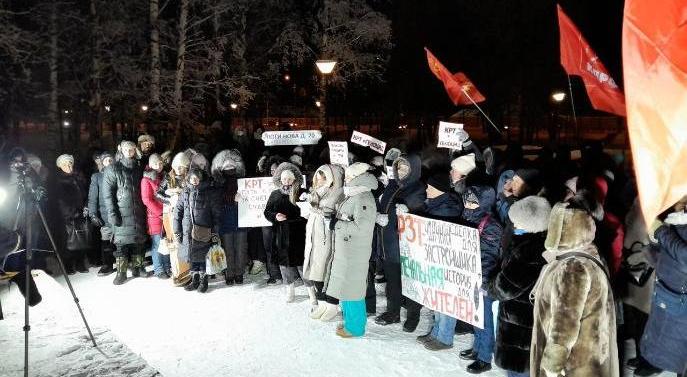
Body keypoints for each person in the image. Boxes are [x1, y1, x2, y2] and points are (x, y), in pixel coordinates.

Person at [530, 196, 619, 377]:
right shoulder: (590, 256)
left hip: (573, 364)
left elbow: (565, 319)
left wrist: (553, 365)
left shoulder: (572, 266)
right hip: (590, 356)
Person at [484, 196, 551, 377]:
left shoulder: (526, 250)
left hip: (519, 326)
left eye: (517, 221)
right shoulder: (543, 244)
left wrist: (488, 285)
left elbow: (505, 287)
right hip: (533, 320)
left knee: (518, 371)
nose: (514, 225)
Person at [323, 162, 378, 338]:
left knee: (353, 289)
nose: (346, 179)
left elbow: (363, 227)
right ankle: (350, 323)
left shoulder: (363, 197)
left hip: (355, 250)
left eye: (349, 176)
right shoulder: (354, 194)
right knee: (346, 287)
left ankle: (355, 328)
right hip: (348, 248)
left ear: (357, 178)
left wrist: (337, 224)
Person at [375, 152, 426, 331]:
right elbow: (383, 206)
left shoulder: (418, 187)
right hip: (389, 244)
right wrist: (378, 215)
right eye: (399, 167)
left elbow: (423, 211)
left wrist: (410, 211)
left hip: (408, 247)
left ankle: (413, 316)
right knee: (393, 281)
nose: (401, 171)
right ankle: (393, 312)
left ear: (414, 169)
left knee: (411, 283)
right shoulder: (391, 186)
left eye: (405, 167)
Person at [640, 195, 687, 377]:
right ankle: (653, 361)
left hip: (679, 296)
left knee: (677, 346)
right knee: (659, 335)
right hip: (668, 290)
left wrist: (660, 231)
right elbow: (662, 252)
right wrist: (654, 239)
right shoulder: (676, 219)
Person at [102, 141, 149, 285]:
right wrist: (112, 213)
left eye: (132, 149)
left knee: (138, 242)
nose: (130, 151)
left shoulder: (139, 167)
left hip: (138, 211)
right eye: (127, 149)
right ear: (121, 150)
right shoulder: (112, 169)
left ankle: (138, 267)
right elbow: (107, 194)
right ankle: (121, 272)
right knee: (121, 244)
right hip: (121, 212)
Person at [264, 162, 308, 302]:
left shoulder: (301, 193)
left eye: (289, 179)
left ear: (295, 179)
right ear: (280, 180)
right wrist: (275, 216)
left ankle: (311, 290)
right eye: (284, 179)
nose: (287, 182)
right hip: (281, 235)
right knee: (284, 265)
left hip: (298, 234)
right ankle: (290, 290)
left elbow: (308, 211)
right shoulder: (275, 194)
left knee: (302, 264)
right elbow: (267, 211)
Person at [303, 164, 345, 312]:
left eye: (323, 178)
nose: (320, 181)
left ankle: (329, 303)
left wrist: (323, 213)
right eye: (318, 178)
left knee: (324, 268)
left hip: (327, 237)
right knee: (315, 269)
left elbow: (338, 213)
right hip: (314, 236)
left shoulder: (338, 192)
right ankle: (321, 302)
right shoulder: (315, 192)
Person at [173, 167, 221, 293]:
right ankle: (194, 280)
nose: (195, 180)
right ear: (188, 178)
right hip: (187, 231)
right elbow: (178, 211)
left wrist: (215, 234)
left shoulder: (209, 192)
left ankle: (203, 281)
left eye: (197, 177)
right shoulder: (185, 192)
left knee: (203, 257)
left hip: (204, 231)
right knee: (192, 257)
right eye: (192, 178)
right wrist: (177, 230)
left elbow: (216, 215)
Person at [211, 149, 248, 286]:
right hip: (225, 218)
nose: (230, 169)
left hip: (241, 217)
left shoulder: (243, 182)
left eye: (232, 167)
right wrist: (232, 199)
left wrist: (241, 199)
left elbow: (250, 198)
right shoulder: (217, 183)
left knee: (240, 247)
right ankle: (229, 273)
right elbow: (216, 201)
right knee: (228, 249)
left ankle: (239, 273)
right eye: (226, 167)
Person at [157, 151, 192, 286]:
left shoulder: (189, 178)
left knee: (186, 242)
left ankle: (190, 273)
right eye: (177, 166)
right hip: (170, 216)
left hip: (186, 215)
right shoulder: (168, 178)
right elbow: (158, 194)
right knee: (175, 245)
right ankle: (177, 274)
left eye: (181, 167)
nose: (178, 169)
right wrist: (170, 199)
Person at [54, 154, 90, 274]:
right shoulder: (59, 181)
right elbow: (60, 200)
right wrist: (71, 212)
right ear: (61, 166)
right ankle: (68, 265)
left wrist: (85, 207)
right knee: (69, 241)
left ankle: (80, 264)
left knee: (81, 239)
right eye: (65, 164)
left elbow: (85, 193)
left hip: (80, 213)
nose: (68, 166)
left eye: (70, 163)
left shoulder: (79, 177)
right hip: (68, 216)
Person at [141, 153, 170, 279]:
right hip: (155, 217)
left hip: (167, 214)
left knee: (167, 242)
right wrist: (160, 213)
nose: (159, 166)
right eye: (156, 163)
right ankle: (159, 269)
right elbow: (147, 200)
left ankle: (168, 266)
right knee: (157, 243)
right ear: (150, 164)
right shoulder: (146, 180)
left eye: (161, 163)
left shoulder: (165, 177)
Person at [88, 152, 116, 276]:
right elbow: (92, 197)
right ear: (102, 163)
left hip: (120, 213)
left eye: (111, 160)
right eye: (106, 160)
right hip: (105, 214)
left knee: (121, 240)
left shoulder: (119, 174)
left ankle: (124, 262)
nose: (109, 162)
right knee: (106, 240)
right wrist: (93, 214)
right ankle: (107, 264)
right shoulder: (97, 177)